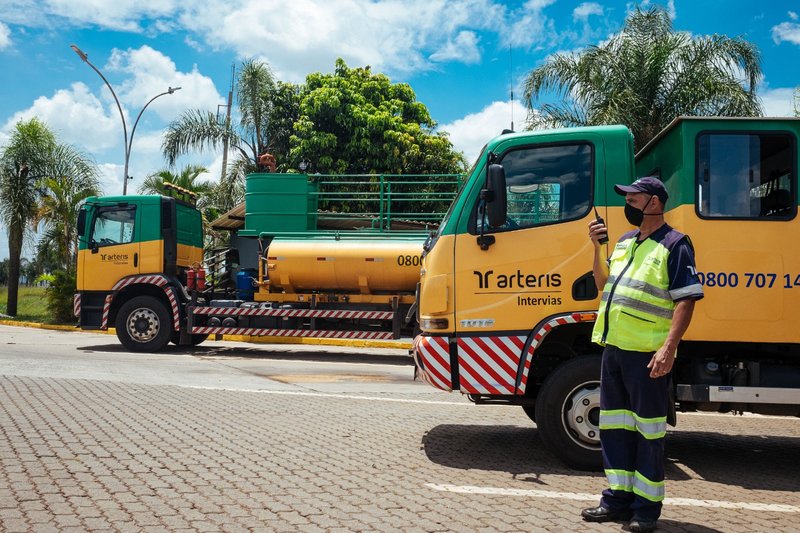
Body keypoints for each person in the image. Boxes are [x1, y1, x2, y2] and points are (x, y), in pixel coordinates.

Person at [582, 177, 704, 533]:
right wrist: (595, 247)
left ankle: (646, 510)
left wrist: (668, 347)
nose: (628, 204)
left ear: (654, 202)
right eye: (628, 198)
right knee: (614, 429)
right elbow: (603, 284)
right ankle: (616, 500)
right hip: (614, 351)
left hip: (647, 356)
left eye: (633, 199)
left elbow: (686, 299)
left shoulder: (675, 244)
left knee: (648, 434)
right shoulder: (623, 242)